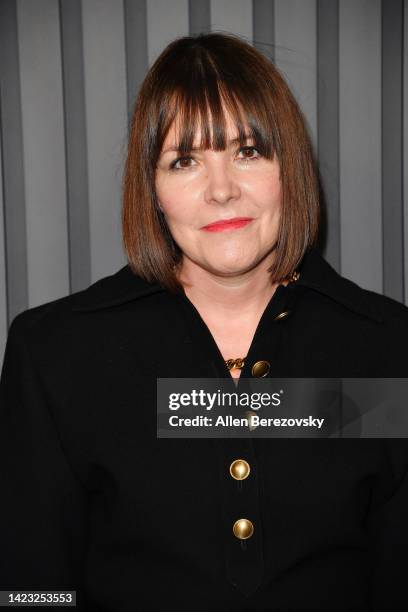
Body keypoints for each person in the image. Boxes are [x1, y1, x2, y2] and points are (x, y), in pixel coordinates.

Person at [1, 32, 408, 611]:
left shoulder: (387, 348)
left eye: (248, 152)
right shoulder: (56, 354)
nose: (221, 191)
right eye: (185, 160)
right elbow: (31, 588)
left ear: (288, 168)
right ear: (154, 190)